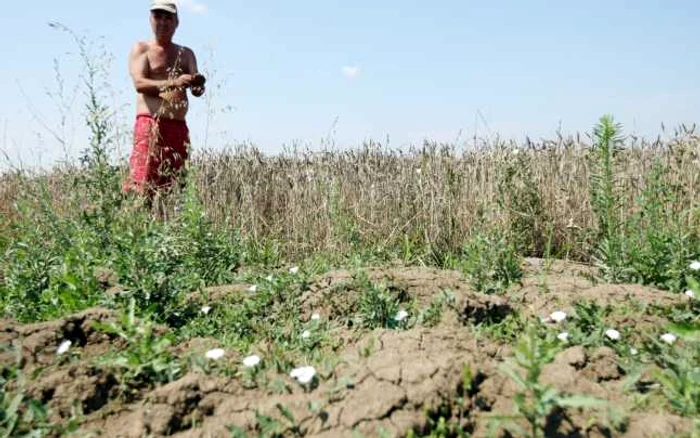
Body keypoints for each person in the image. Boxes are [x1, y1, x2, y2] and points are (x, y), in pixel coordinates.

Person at [123, 0, 206, 200]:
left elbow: (196, 89)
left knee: (175, 187)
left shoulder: (186, 54)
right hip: (150, 124)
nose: (162, 21)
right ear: (150, 20)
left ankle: (166, 228)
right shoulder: (141, 49)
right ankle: (139, 228)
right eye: (157, 16)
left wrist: (197, 84)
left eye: (168, 17)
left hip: (177, 127)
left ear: (177, 23)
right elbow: (140, 84)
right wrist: (175, 82)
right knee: (143, 186)